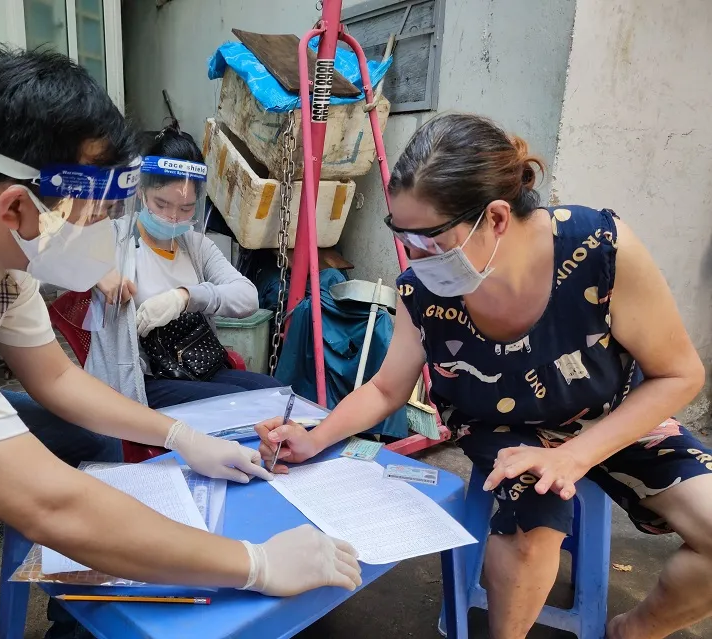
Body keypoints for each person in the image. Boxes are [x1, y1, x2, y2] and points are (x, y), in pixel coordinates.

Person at [0, 44, 361, 639]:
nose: (102, 235)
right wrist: (256, 565)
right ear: (16, 207)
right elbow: (47, 504)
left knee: (90, 436)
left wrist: (182, 437)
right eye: (94, 218)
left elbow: (56, 378)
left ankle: (76, 619)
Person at [255, 113, 712, 639]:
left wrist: (575, 455)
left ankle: (633, 631)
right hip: (504, 425)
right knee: (530, 533)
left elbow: (679, 375)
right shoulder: (422, 290)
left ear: (495, 217)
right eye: (402, 235)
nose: (414, 256)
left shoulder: (598, 251)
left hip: (613, 415)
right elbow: (385, 388)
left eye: (428, 239)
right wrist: (314, 439)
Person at [86, 125, 281, 409]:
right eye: (162, 204)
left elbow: (247, 297)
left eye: (186, 208)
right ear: (141, 191)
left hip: (193, 366)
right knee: (239, 405)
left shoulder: (196, 246)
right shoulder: (115, 238)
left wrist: (185, 297)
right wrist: (98, 271)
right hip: (141, 380)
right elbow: (59, 247)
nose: (173, 217)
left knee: (274, 393)